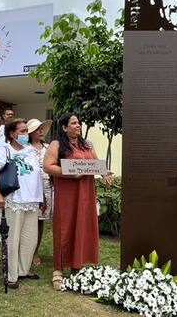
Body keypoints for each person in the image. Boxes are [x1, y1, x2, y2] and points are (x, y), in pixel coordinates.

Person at [43, 113, 114, 291]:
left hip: (86, 193)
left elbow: (96, 164)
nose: (78, 125)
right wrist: (69, 173)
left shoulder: (87, 144)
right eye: (73, 123)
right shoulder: (56, 144)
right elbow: (48, 166)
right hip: (67, 194)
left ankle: (76, 265)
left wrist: (104, 173)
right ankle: (58, 269)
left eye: (78, 123)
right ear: (64, 127)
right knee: (64, 227)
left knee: (82, 226)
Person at [0, 118, 44, 288]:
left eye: (26, 131)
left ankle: (23, 270)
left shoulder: (31, 151)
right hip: (14, 202)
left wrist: (41, 198)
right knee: (12, 239)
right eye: (22, 131)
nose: (26, 134)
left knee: (29, 240)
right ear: (12, 133)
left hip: (31, 202)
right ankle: (11, 276)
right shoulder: (5, 150)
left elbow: (37, 176)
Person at [28, 118, 53, 267]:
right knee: (29, 220)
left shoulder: (48, 147)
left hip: (47, 186)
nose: (41, 131)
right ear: (31, 133)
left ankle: (35, 251)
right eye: (38, 129)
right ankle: (27, 251)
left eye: (42, 128)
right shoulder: (25, 148)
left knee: (40, 220)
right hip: (30, 188)